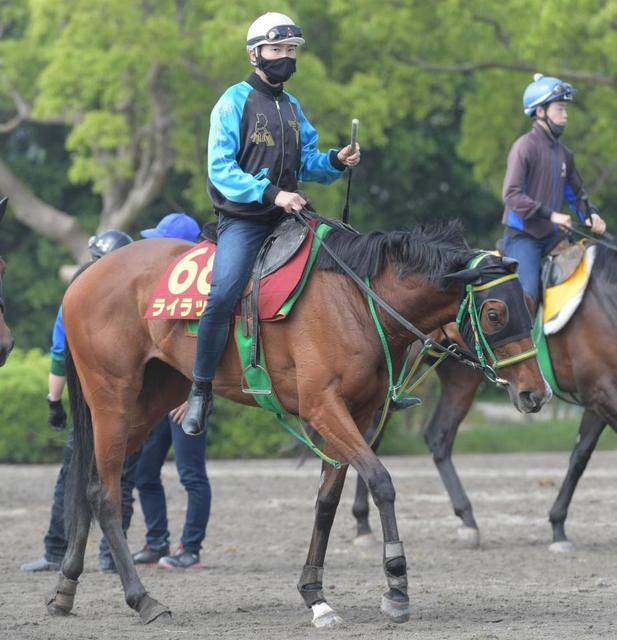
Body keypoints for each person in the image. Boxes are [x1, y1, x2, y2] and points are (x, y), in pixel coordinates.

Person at [182, 11, 361, 436]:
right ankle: (200, 390)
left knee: (349, 267)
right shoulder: (232, 101)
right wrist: (271, 193)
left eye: (291, 51)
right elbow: (220, 169)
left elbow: (310, 163)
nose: (285, 57)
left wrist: (336, 160)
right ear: (254, 53)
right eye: (277, 50)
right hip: (244, 221)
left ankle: (361, 381)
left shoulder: (293, 107)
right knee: (223, 294)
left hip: (291, 216)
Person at [21, 230, 134, 573]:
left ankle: (56, 550)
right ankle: (111, 556)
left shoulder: (81, 292)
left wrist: (54, 402)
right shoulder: (138, 297)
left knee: (72, 473)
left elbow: (60, 353)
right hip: (133, 404)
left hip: (91, 402)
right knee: (121, 475)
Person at [127, 212, 212, 570]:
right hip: (161, 398)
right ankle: (156, 541)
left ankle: (190, 548)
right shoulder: (161, 289)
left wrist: (194, 393)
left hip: (189, 399)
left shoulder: (205, 290)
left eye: (159, 240)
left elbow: (210, 348)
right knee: (145, 472)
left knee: (191, 474)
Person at [502, 73, 607, 306]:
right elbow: (511, 195)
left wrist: (592, 215)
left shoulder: (564, 154)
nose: (565, 115)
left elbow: (578, 196)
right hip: (523, 238)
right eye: (560, 109)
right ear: (540, 111)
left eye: (565, 109)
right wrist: (551, 215)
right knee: (528, 295)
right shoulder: (524, 147)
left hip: (552, 238)